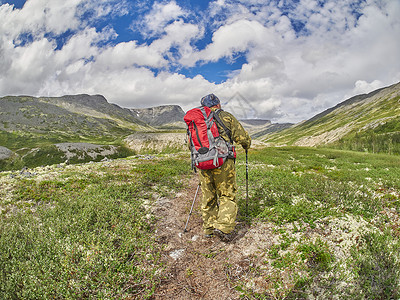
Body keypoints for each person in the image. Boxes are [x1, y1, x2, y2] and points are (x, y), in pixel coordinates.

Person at [198, 93, 251, 242]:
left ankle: (208, 228)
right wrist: (247, 144)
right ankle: (223, 226)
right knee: (227, 193)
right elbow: (241, 137)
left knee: (208, 195)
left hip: (203, 162)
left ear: (204, 107)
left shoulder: (199, 120)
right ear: (219, 104)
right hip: (223, 162)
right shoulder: (226, 117)